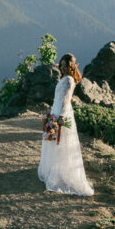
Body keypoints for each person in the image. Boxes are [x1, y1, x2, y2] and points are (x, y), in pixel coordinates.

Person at [38, 53, 94, 196]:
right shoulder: (66, 78)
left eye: (65, 66)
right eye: (61, 65)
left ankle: (59, 173)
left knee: (60, 142)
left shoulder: (69, 80)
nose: (62, 68)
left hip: (61, 112)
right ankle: (55, 171)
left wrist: (60, 117)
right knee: (55, 141)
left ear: (71, 66)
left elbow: (66, 99)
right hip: (56, 110)